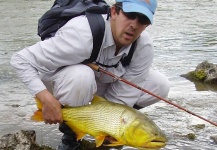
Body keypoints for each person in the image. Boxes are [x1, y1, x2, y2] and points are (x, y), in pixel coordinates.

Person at [10, 0, 170, 149]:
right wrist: (46, 99)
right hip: (60, 82)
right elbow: (20, 60)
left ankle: (106, 136)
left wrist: (111, 131)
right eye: (130, 15)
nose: (134, 25)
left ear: (147, 25)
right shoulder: (82, 33)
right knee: (82, 76)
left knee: (160, 85)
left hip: (98, 86)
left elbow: (122, 100)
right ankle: (70, 137)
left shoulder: (143, 47)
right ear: (114, 12)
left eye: (142, 20)